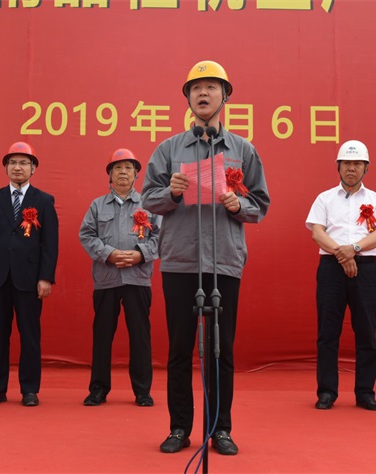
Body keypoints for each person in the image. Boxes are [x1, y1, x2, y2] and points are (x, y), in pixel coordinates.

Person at [142, 60, 269, 455]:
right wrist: (173, 193)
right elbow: (148, 199)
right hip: (180, 261)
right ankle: (180, 427)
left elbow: (260, 204)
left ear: (225, 96)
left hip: (224, 262)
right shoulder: (168, 149)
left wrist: (237, 204)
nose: (203, 94)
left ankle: (220, 428)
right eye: (196, 88)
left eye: (211, 87)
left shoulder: (242, 150)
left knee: (221, 350)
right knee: (180, 349)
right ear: (187, 98)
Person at [305, 140, 376, 412]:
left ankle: (365, 392)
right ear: (338, 167)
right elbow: (317, 232)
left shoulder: (375, 199)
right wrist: (342, 255)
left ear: (366, 168)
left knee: (366, 331)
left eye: (357, 164)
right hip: (331, 267)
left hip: (365, 267)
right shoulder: (325, 198)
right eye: (346, 163)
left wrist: (353, 249)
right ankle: (327, 392)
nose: (351, 168)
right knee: (327, 332)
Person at [0, 142, 58, 407]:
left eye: (23, 163)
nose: (18, 167)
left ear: (33, 168)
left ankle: (30, 389)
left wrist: (46, 277)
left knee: (30, 334)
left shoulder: (44, 200)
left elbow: (50, 243)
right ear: (6, 168)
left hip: (30, 279)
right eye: (12, 163)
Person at [79, 149, 160, 408]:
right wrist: (109, 254)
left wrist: (140, 254)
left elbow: (162, 237)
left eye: (128, 167)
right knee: (102, 335)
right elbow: (87, 235)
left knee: (140, 336)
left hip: (138, 278)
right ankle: (98, 389)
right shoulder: (97, 205)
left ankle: (142, 391)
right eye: (117, 168)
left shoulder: (149, 205)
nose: (123, 172)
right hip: (107, 279)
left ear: (136, 174)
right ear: (109, 175)